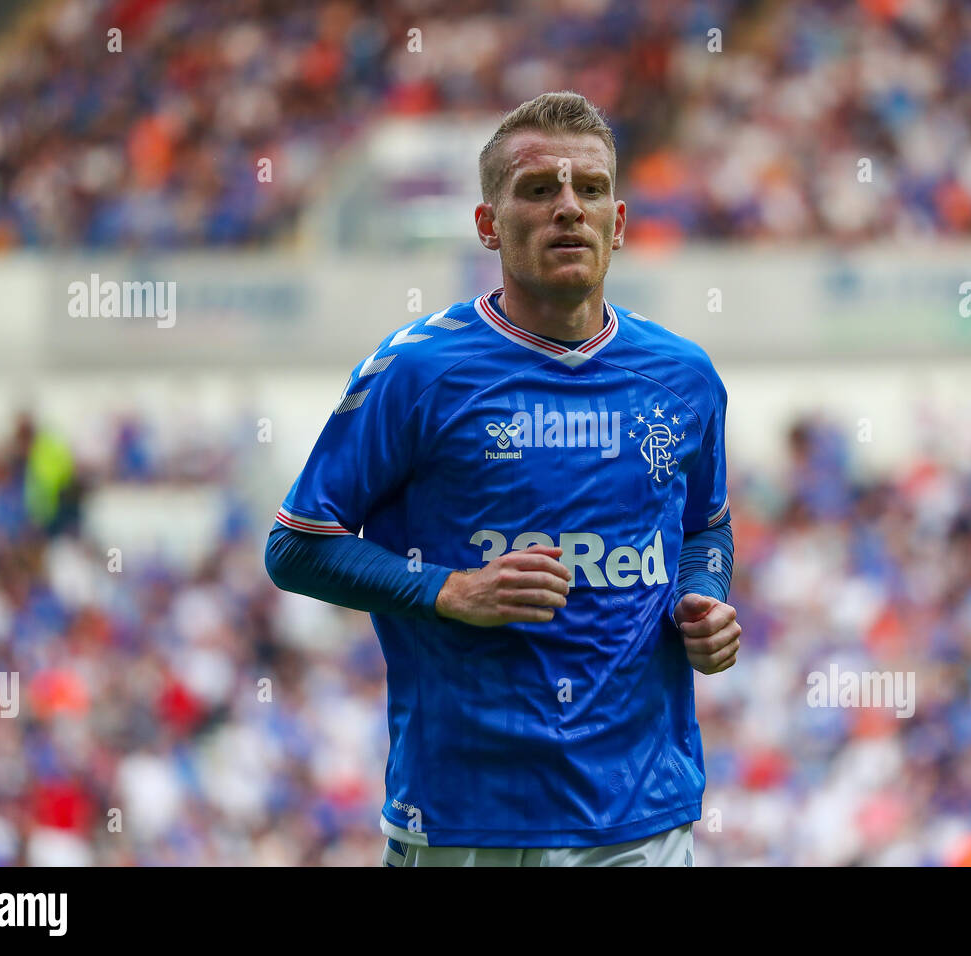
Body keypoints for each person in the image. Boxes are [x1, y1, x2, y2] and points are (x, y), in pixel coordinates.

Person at [265, 91, 739, 866]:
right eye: (538, 189)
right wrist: (451, 591)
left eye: (590, 189)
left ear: (618, 223)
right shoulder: (418, 371)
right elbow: (297, 546)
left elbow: (706, 526)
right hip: (468, 818)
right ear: (489, 225)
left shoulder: (682, 376)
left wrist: (706, 599)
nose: (568, 209)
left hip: (643, 818)